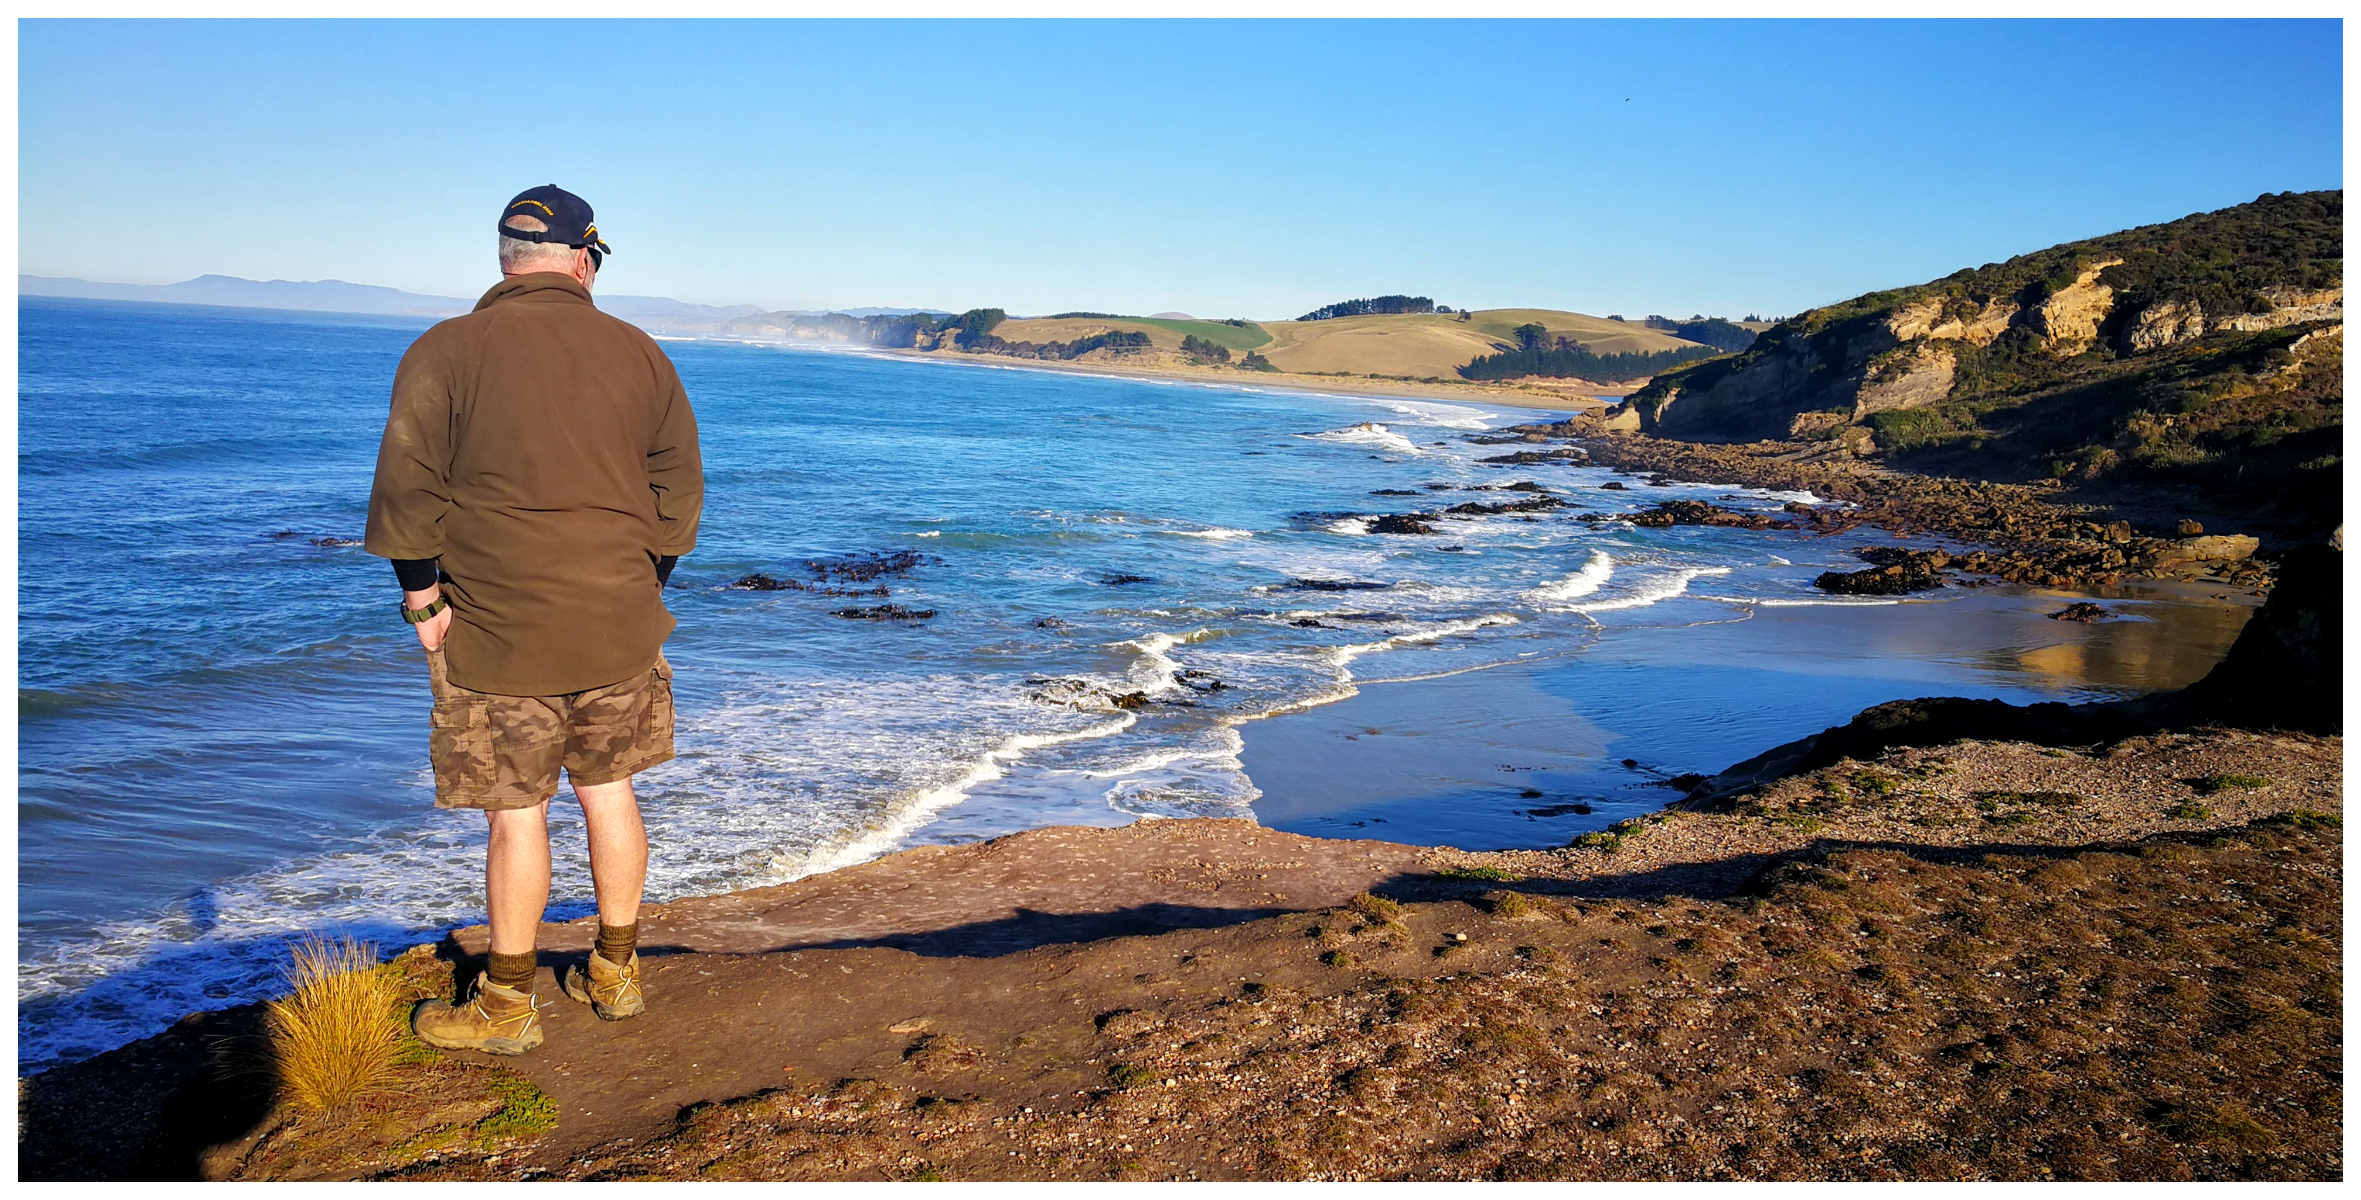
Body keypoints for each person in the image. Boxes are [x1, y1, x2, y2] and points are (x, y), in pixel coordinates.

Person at [365, 185, 703, 1055]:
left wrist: (421, 598)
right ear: (584, 259)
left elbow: (410, 486)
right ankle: (617, 972)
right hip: (619, 622)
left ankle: (507, 1005)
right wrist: (646, 577)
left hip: (494, 628)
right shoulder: (641, 353)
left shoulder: (445, 348)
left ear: (505, 257)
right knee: (609, 792)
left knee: (517, 814)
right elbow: (678, 490)